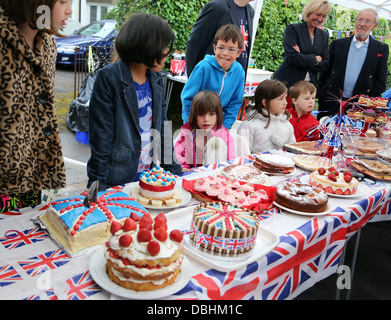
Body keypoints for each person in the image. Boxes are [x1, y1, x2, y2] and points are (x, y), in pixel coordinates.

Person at [86, 13, 183, 191]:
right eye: (164, 47)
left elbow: (163, 127)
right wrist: (97, 184)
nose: (167, 53)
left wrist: (175, 171)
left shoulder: (157, 79)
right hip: (116, 179)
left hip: (148, 178)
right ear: (148, 46)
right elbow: (101, 136)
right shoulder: (109, 78)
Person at [0, 0, 72, 213]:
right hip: (4, 185)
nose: (69, 10)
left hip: (36, 179)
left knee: (26, 238)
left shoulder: (48, 45)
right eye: (63, 1)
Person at [317, 8, 389, 118]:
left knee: (352, 135)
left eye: (367, 21)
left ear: (374, 26)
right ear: (355, 22)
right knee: (326, 133)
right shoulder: (337, 44)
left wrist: (369, 105)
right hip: (331, 101)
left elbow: (380, 80)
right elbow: (325, 72)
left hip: (360, 106)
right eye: (360, 20)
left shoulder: (381, 49)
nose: (362, 24)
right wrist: (322, 94)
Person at [181, 24, 245, 130]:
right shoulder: (203, 67)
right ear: (214, 48)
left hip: (218, 127)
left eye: (231, 49)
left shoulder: (239, 72)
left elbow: (235, 103)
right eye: (221, 47)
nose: (225, 53)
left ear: (239, 52)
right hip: (196, 124)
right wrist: (191, 123)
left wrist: (224, 127)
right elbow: (187, 98)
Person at [273, 0, 331, 94]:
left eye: (323, 16)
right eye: (318, 14)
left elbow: (325, 64)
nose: (320, 19)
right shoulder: (293, 29)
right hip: (287, 85)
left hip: (308, 88)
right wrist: (316, 59)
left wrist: (302, 56)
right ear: (309, 12)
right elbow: (292, 58)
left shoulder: (324, 35)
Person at [186, 0, 254, 77]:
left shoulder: (250, 11)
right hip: (210, 79)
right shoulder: (217, 7)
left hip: (234, 80)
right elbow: (195, 44)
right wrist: (194, 78)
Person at [175, 91, 236, 168]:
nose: (206, 119)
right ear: (194, 116)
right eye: (201, 114)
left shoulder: (224, 136)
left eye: (211, 114)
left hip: (216, 176)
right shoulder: (186, 134)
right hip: (192, 177)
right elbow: (180, 161)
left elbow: (231, 164)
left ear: (218, 115)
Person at [239, 79, 295, 153]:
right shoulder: (248, 125)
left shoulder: (287, 125)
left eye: (285, 98)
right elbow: (240, 154)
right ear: (265, 102)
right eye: (281, 99)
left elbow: (292, 151)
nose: (285, 103)